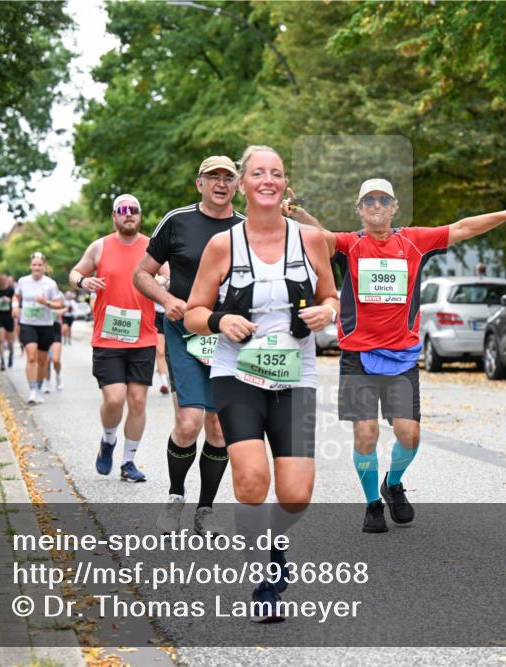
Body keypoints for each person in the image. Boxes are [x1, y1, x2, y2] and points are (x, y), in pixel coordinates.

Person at [286, 179, 506, 533]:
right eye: (368, 201)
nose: (376, 206)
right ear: (359, 209)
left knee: (410, 435)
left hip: (401, 356)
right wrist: (294, 212)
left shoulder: (415, 242)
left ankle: (393, 483)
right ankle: (373, 503)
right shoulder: (349, 244)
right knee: (366, 434)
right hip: (357, 355)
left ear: (394, 207)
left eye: (382, 200)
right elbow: (318, 236)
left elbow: (463, 227)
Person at [185, 145, 339, 621]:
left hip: (296, 374)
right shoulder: (223, 245)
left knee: (296, 494)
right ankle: (268, 572)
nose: (267, 180)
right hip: (237, 373)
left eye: (275, 173)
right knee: (252, 481)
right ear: (243, 184)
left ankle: (271, 540)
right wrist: (218, 321)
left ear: (283, 184)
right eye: (257, 173)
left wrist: (326, 312)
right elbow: (191, 313)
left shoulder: (311, 240)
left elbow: (331, 296)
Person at [133, 155, 245, 536]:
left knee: (218, 428)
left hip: (228, 338)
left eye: (227, 177)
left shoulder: (249, 229)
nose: (220, 183)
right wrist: (166, 302)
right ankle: (176, 496)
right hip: (184, 332)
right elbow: (142, 274)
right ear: (199, 183)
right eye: (212, 177)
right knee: (189, 420)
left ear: (236, 185)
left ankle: (206, 509)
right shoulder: (177, 221)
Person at [69, 194, 159, 483]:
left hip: (143, 336)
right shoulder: (100, 246)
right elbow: (75, 272)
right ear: (114, 216)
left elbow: (170, 274)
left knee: (138, 401)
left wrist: (165, 281)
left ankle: (129, 462)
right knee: (115, 398)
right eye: (122, 210)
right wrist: (83, 281)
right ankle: (108, 441)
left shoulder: (152, 247)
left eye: (133, 210)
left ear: (140, 216)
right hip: (108, 338)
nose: (128, 214)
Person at [13, 253, 63, 405]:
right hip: (27, 323)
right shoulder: (23, 281)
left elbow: (58, 304)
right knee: (32, 357)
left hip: (45, 325)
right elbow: (16, 296)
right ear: (30, 266)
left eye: (39, 265)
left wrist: (45, 302)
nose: (36, 267)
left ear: (44, 266)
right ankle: (33, 390)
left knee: (42, 360)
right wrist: (15, 307)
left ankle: (39, 388)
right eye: (34, 265)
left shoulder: (50, 284)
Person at [152, 264, 171, 395]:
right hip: (155, 315)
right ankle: (164, 382)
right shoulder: (149, 268)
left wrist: (166, 279)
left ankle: (172, 378)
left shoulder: (174, 267)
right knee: (160, 351)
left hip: (172, 314)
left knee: (171, 350)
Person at [0, 273, 16, 370]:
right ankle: (2, 361)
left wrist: (9, 300)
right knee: (1, 339)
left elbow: (15, 302)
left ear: (7, 280)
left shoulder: (11, 290)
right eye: (0, 279)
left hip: (9, 317)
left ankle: (11, 355)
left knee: (10, 341)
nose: (2, 281)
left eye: (4, 279)